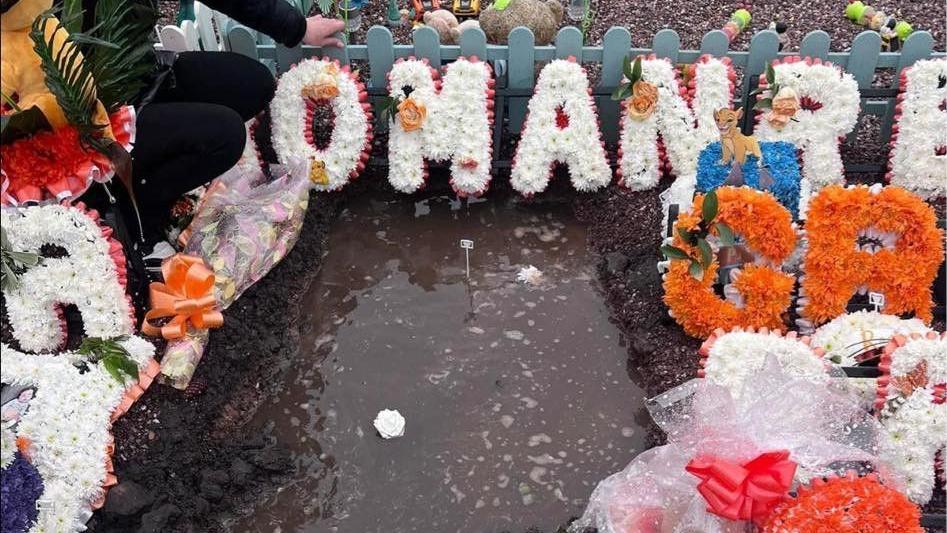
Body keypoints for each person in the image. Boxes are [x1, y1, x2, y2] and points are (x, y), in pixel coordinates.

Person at [75, 0, 345, 247]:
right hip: (88, 119)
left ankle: (154, 166)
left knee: (252, 85)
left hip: (138, 77)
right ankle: (134, 209)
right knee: (225, 136)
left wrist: (297, 27)